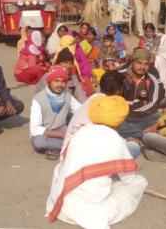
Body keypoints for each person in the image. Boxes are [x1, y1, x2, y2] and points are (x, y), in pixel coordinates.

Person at [46, 95, 147, 229]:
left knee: (61, 169)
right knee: (138, 183)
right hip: (91, 212)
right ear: (120, 122)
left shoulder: (81, 132)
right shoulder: (115, 140)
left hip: (62, 207)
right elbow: (128, 179)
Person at [65, 71, 141, 158]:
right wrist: (124, 141)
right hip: (85, 153)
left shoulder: (94, 99)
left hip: (70, 150)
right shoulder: (107, 105)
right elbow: (106, 135)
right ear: (118, 91)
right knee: (134, 147)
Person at [30, 66, 81, 159]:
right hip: (46, 134)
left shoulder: (67, 96)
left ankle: (58, 148)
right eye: (56, 81)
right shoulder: (38, 99)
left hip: (63, 130)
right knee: (38, 142)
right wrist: (61, 135)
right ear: (49, 82)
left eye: (63, 81)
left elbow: (80, 110)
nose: (60, 85)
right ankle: (70, 147)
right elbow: (35, 129)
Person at [118, 48, 165, 140]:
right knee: (118, 124)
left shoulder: (151, 79)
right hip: (122, 115)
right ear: (132, 62)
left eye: (146, 64)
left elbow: (152, 104)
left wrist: (131, 113)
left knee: (157, 118)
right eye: (139, 63)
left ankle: (133, 133)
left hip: (140, 116)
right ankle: (144, 135)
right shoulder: (121, 76)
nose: (142, 67)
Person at [138, 23, 166, 98]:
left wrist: (155, 47)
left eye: (150, 31)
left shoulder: (159, 39)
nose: (148, 33)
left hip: (154, 61)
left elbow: (153, 59)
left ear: (153, 32)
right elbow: (140, 51)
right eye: (146, 31)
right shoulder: (142, 40)